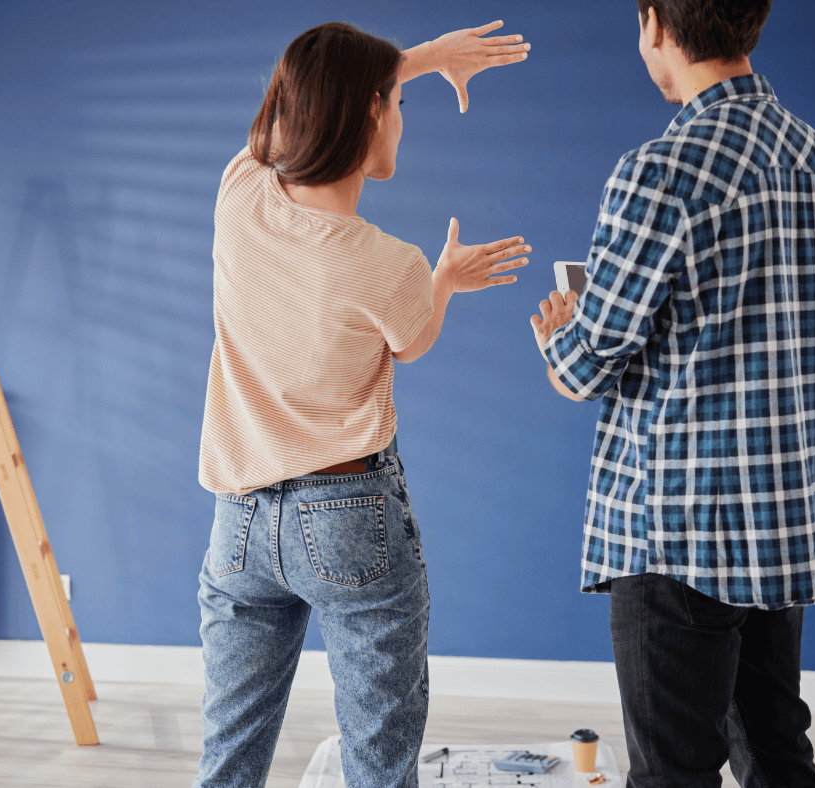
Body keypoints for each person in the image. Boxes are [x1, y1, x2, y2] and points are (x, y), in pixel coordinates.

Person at [530, 2, 815, 786]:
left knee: (672, 774)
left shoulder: (659, 173)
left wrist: (559, 329)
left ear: (655, 23)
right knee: (780, 754)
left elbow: (583, 372)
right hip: (788, 523)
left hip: (679, 536)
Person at [194, 20, 532, 788]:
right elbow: (412, 344)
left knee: (228, 758)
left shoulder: (240, 193)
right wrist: (443, 279)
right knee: (379, 762)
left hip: (239, 522)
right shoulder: (388, 264)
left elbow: (310, 105)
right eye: (400, 101)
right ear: (373, 114)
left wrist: (412, 62)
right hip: (349, 519)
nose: (403, 116)